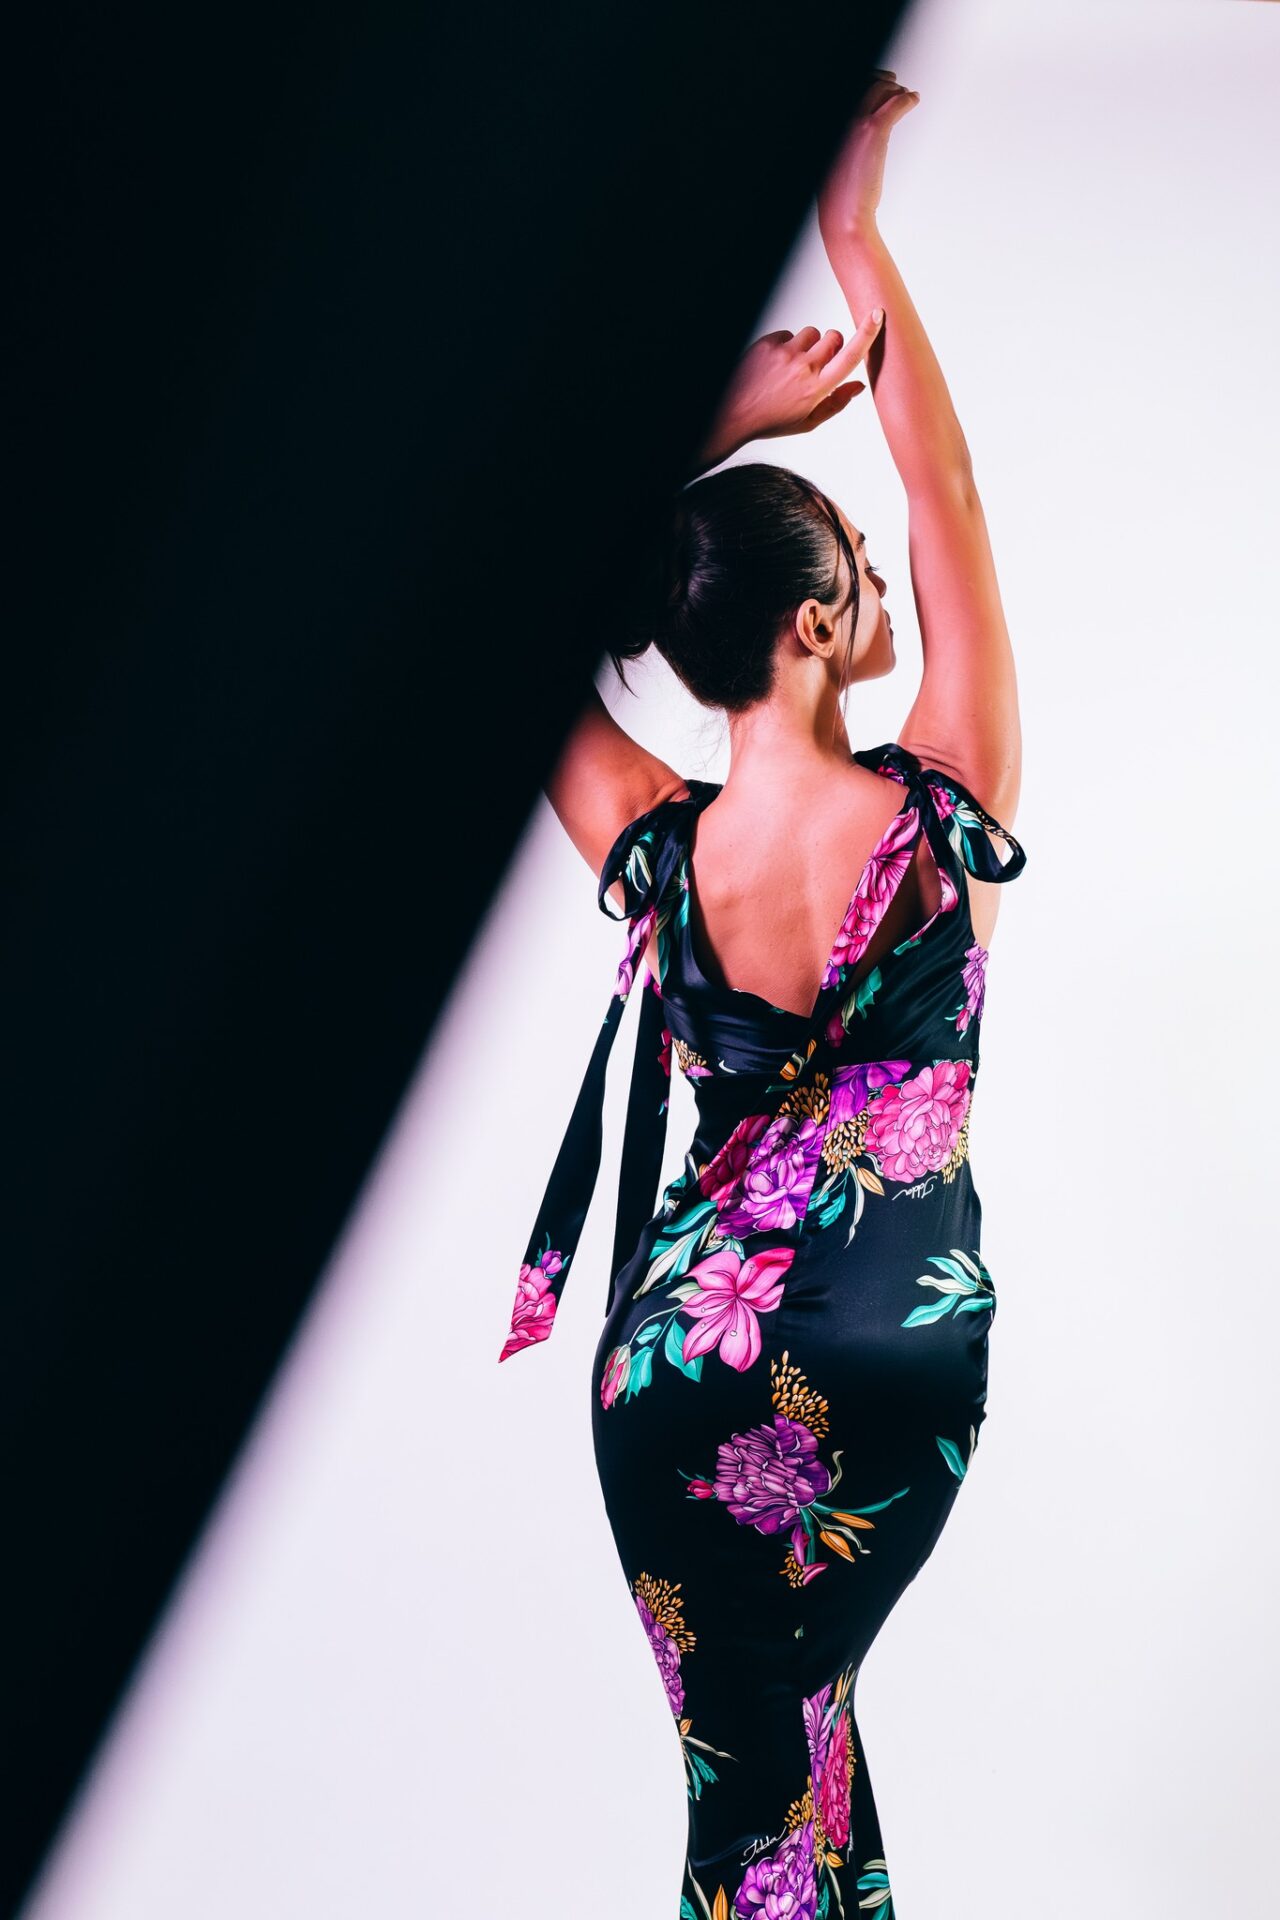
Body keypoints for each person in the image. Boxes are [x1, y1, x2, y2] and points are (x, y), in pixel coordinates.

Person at [499, 72, 1026, 1918]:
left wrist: (714, 421)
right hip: (891, 1349)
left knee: (757, 1792)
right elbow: (946, 486)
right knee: (790, 1775)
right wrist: (854, 237)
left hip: (673, 1367)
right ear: (811, 627)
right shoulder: (941, 803)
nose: (882, 582)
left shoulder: (658, 843)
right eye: (858, 575)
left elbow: (499, 599)